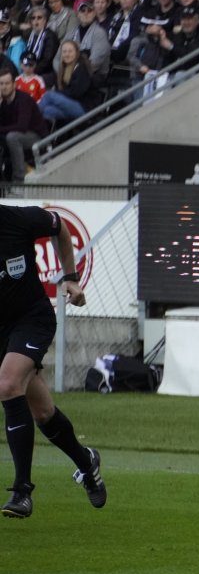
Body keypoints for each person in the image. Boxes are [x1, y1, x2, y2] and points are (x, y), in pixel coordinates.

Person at [2, 204, 108, 518]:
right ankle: (87, 462)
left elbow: (59, 227)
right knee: (43, 412)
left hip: (32, 320)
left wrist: (70, 278)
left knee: (8, 383)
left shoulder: (19, 220)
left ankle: (22, 492)